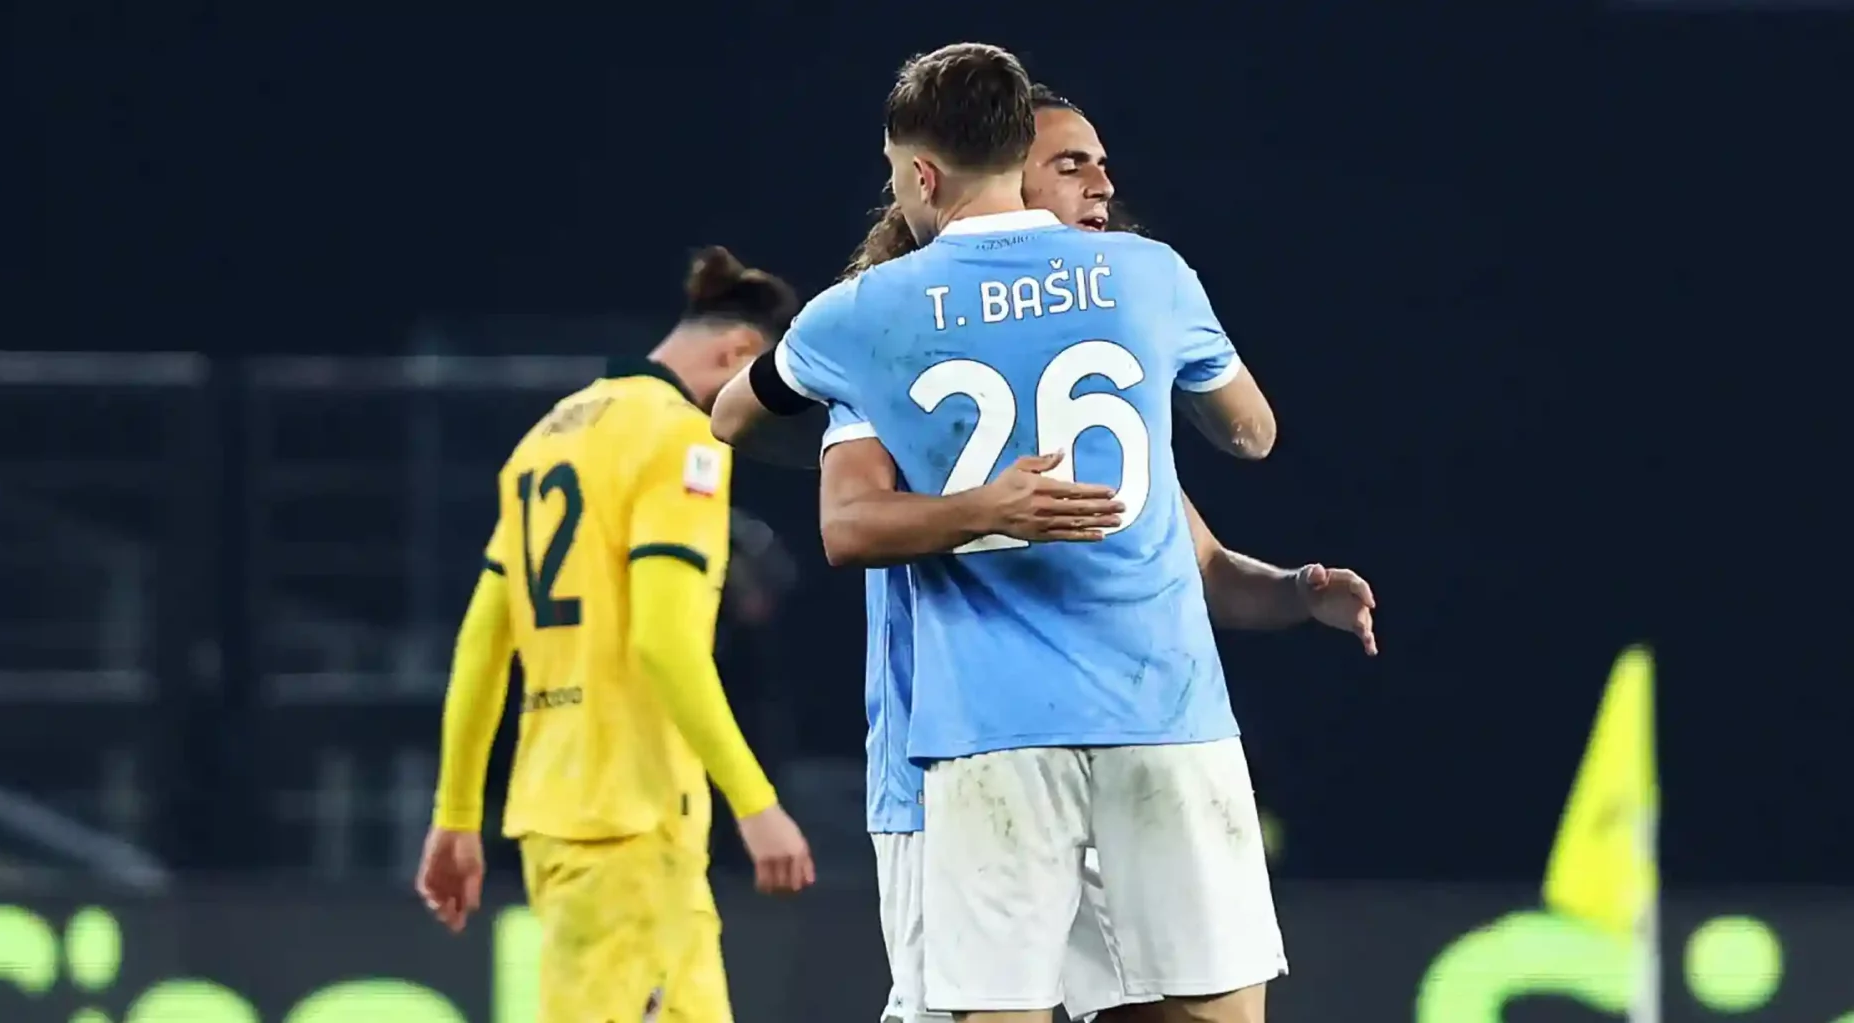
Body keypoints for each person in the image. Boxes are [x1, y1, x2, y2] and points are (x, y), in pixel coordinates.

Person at [710, 44, 1285, 1023]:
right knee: (1207, 1010)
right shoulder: (1147, 276)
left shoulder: (864, 315)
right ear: (1022, 152)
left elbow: (732, 417)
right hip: (1162, 706)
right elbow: (1250, 433)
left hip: (987, 725)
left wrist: (932, 464)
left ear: (920, 176)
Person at [828, 85, 1379, 1023]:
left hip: (1125, 745)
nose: (1102, 184)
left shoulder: (1108, 356)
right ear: (993, 185)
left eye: (1101, 161)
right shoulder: (893, 345)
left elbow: (1198, 565)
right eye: (1068, 163)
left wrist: (1296, 591)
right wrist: (980, 507)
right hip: (953, 769)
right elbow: (847, 524)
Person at [416, 247, 817, 1023]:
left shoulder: (546, 439)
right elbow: (663, 642)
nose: (752, 418)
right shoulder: (681, 440)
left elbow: (480, 646)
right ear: (737, 354)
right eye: (760, 390)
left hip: (567, 819)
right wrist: (756, 800)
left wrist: (458, 814)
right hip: (632, 827)